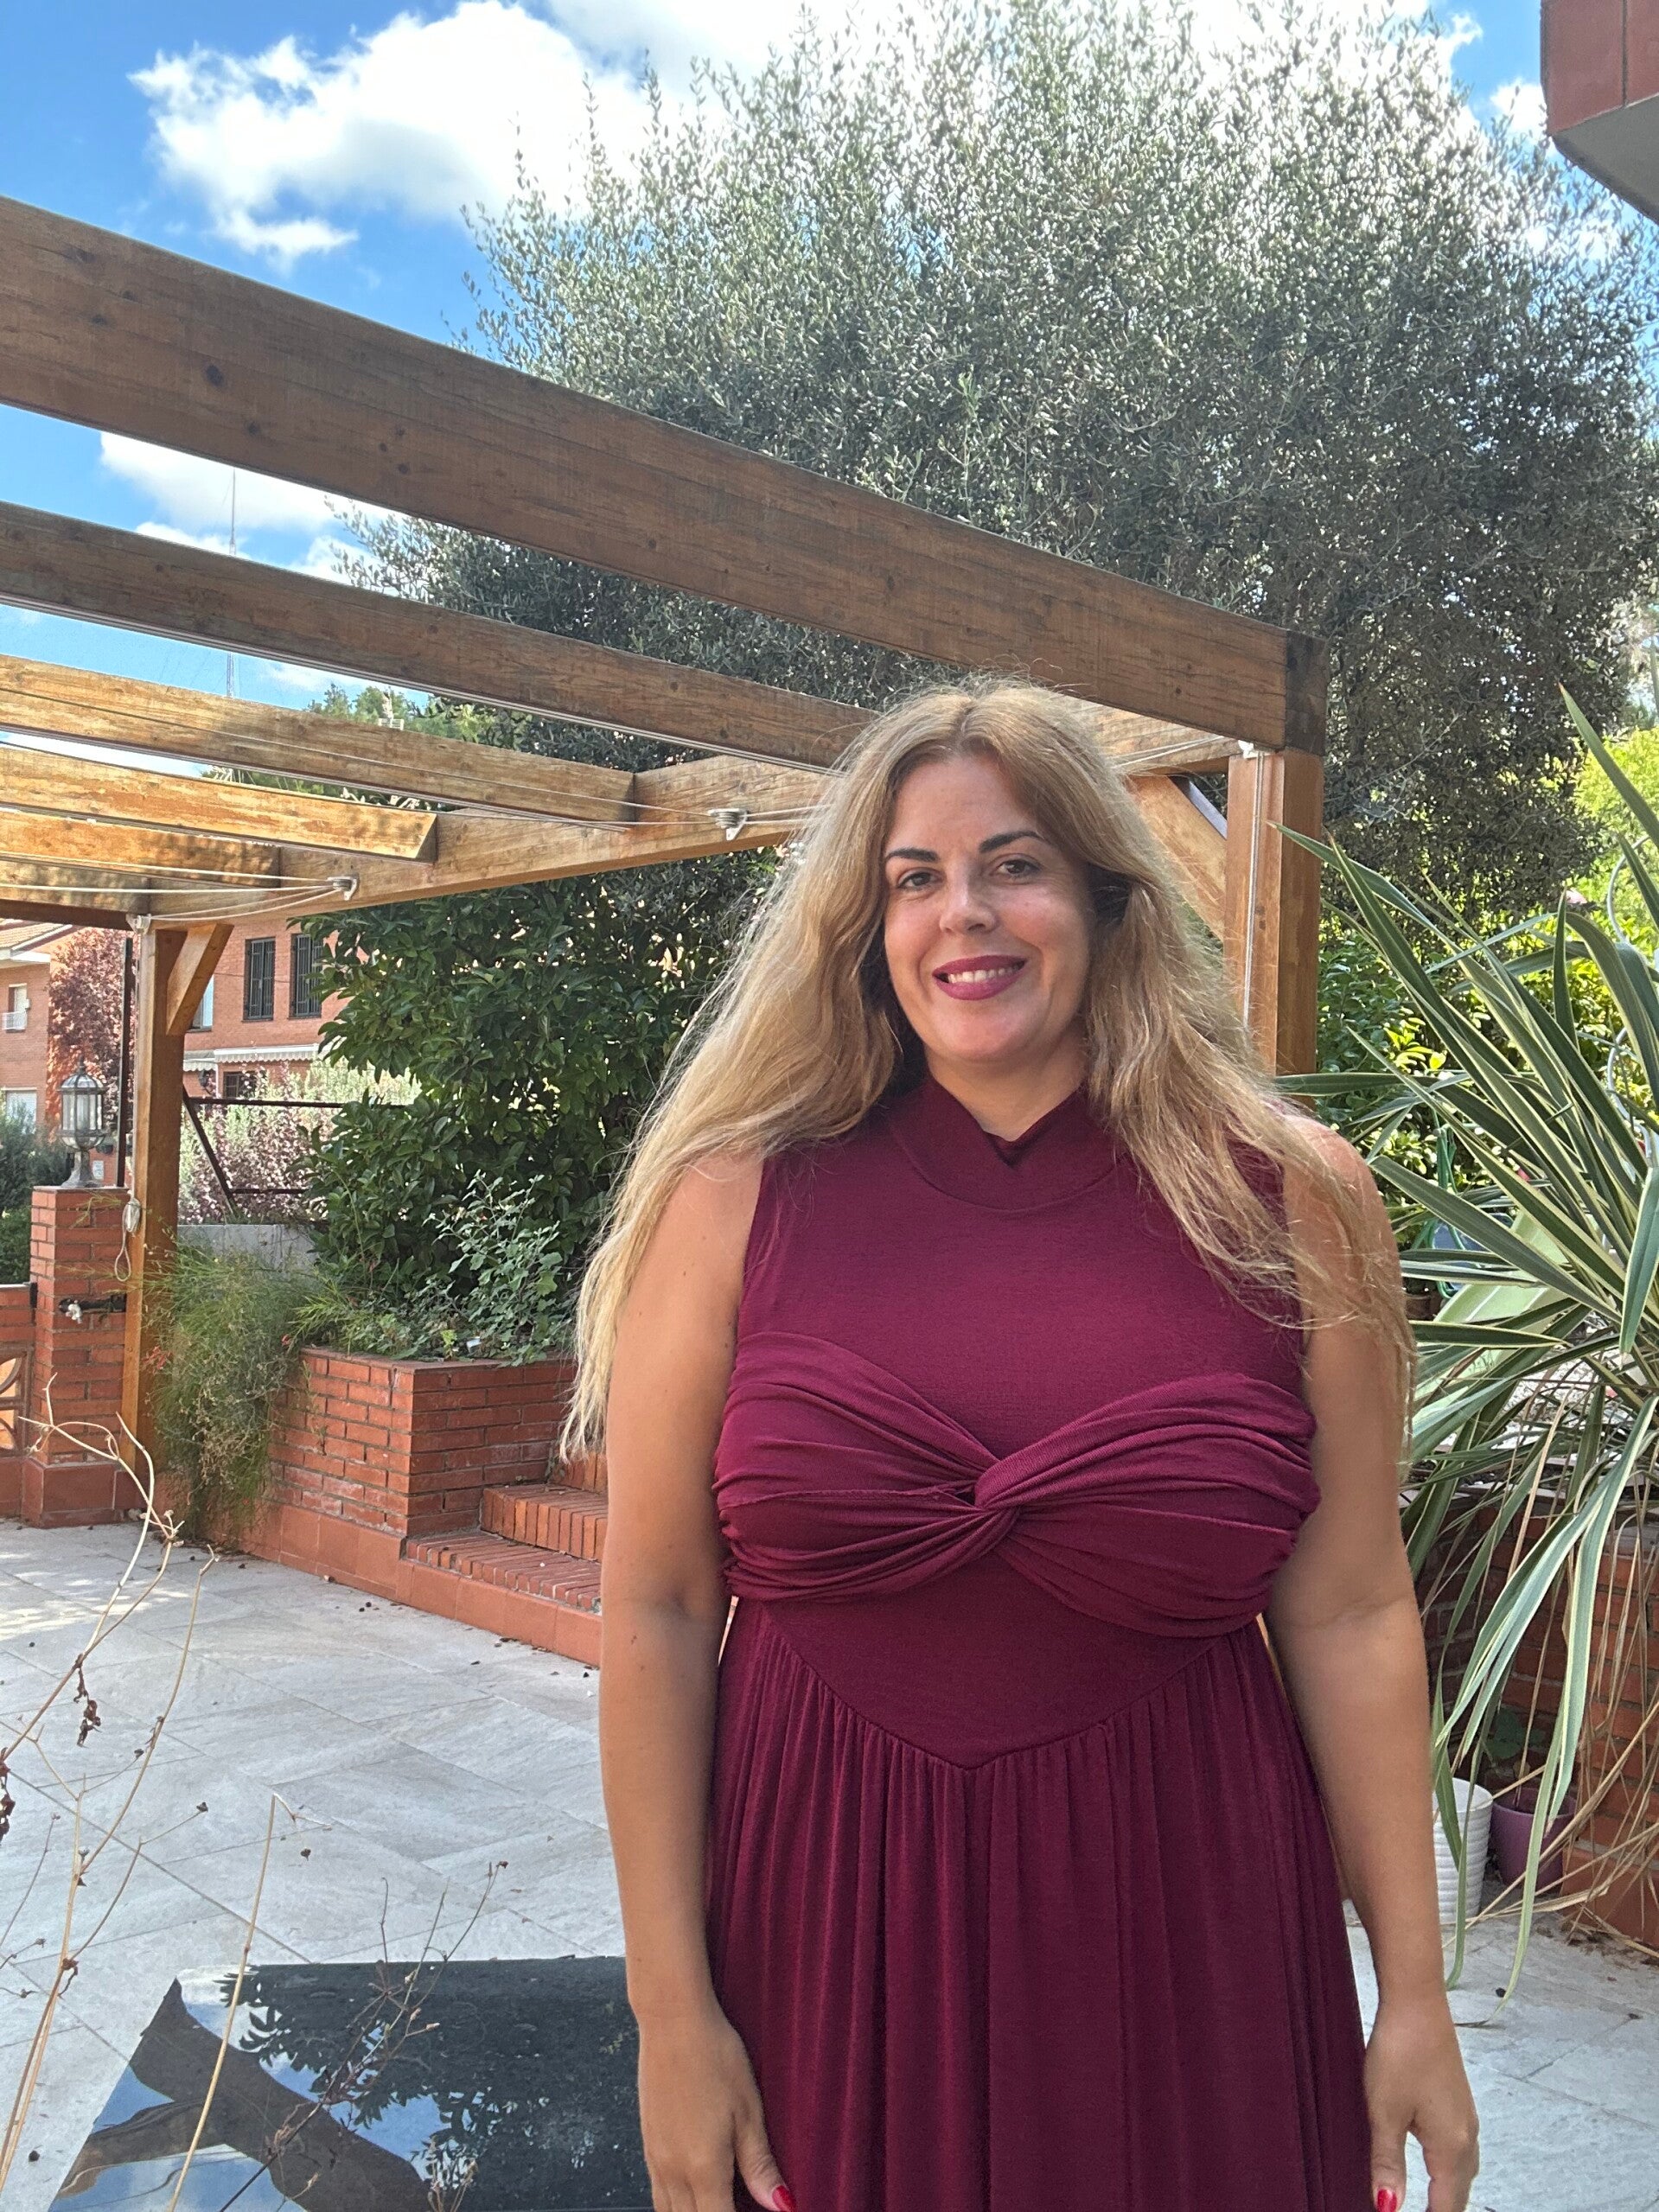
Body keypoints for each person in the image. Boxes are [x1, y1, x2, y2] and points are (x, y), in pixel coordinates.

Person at [565, 679, 1481, 2212]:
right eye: (913, 878)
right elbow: (656, 1608)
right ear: (866, 928)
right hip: (825, 1927)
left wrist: (1416, 1996)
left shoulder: (1295, 1198)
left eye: (1015, 864)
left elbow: (1352, 1611)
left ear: (1110, 901)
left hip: (1190, 1929)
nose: (963, 914)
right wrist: (670, 2013)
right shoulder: (733, 1203)